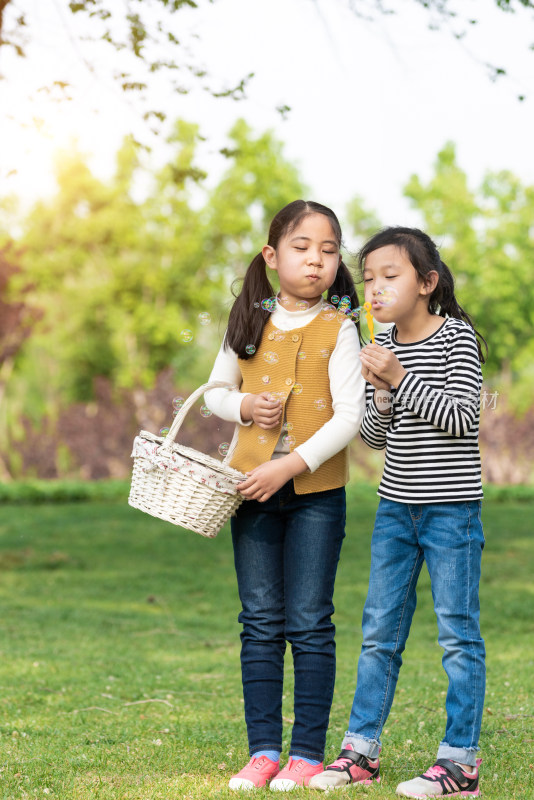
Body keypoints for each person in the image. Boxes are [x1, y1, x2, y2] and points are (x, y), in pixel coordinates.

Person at [309, 227, 488, 798]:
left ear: (427, 283)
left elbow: (464, 418)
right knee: (379, 631)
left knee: (458, 634)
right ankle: (361, 753)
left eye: (391, 276)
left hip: (451, 513)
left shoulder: (456, 338)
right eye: (369, 279)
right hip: (395, 510)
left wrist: (399, 378)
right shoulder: (383, 340)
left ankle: (460, 763)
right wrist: (381, 392)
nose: (377, 288)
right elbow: (377, 437)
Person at [204, 200, 366, 791]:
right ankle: (263, 751)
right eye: (302, 248)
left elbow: (349, 416)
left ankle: (305, 754)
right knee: (260, 621)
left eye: (328, 250)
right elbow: (214, 393)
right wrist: (243, 405)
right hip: (250, 490)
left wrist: (290, 467)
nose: (316, 261)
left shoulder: (340, 326)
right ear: (272, 256)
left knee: (310, 620)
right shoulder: (248, 319)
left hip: (317, 495)